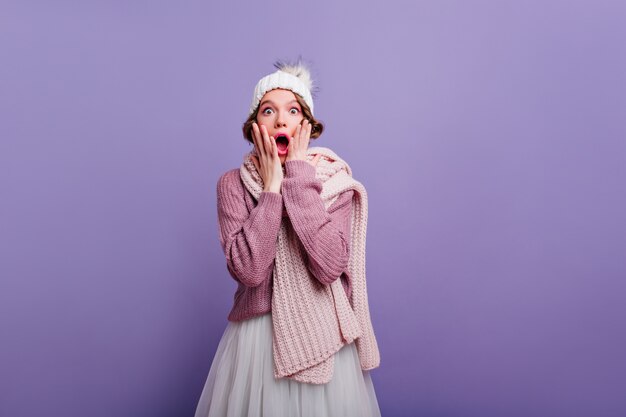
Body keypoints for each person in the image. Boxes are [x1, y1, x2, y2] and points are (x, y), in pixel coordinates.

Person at [194, 59, 381, 417]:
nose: (281, 120)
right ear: (253, 129)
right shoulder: (232, 185)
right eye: (269, 110)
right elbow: (249, 271)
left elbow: (329, 266)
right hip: (257, 345)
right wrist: (272, 189)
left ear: (307, 127)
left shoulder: (334, 181)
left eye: (293, 110)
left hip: (325, 337)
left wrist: (296, 176)